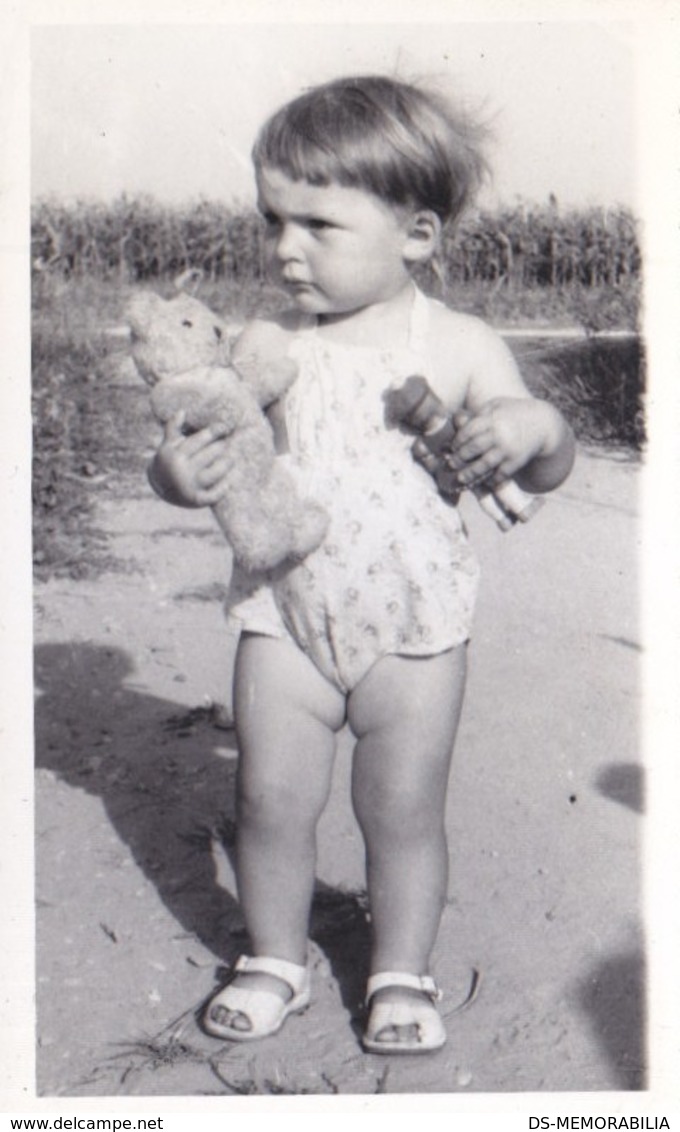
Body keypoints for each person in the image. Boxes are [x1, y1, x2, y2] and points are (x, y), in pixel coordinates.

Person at [148, 74, 575, 1054]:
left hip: (413, 630)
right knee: (265, 798)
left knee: (400, 808)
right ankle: (274, 958)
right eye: (271, 219)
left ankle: (397, 971)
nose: (282, 247)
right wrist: (176, 471)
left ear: (416, 236)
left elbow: (545, 467)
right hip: (283, 617)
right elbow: (197, 452)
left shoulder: (460, 346)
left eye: (317, 225)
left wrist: (529, 426)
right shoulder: (263, 347)